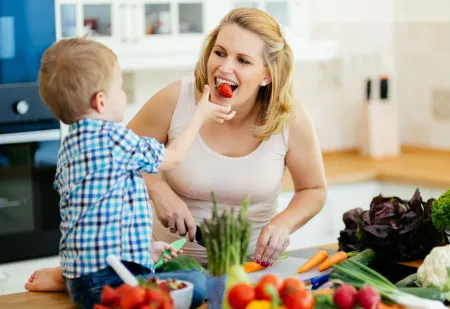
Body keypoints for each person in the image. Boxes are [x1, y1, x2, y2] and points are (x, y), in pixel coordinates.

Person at [26, 7, 327, 293]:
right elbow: (112, 159)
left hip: (251, 271)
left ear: (267, 74)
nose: (224, 67)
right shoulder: (176, 99)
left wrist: (282, 224)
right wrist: (158, 189)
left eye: (243, 61)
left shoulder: (291, 117)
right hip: (168, 268)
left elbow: (313, 190)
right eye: (219, 53)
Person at [25, 37, 233, 309]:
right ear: (100, 101)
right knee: (197, 282)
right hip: (113, 283)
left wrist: (147, 251)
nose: (124, 95)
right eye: (120, 88)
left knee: (175, 272)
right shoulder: (114, 139)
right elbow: (173, 157)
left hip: (83, 281)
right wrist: (200, 114)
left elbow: (97, 219)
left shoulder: (69, 147)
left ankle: (65, 280)